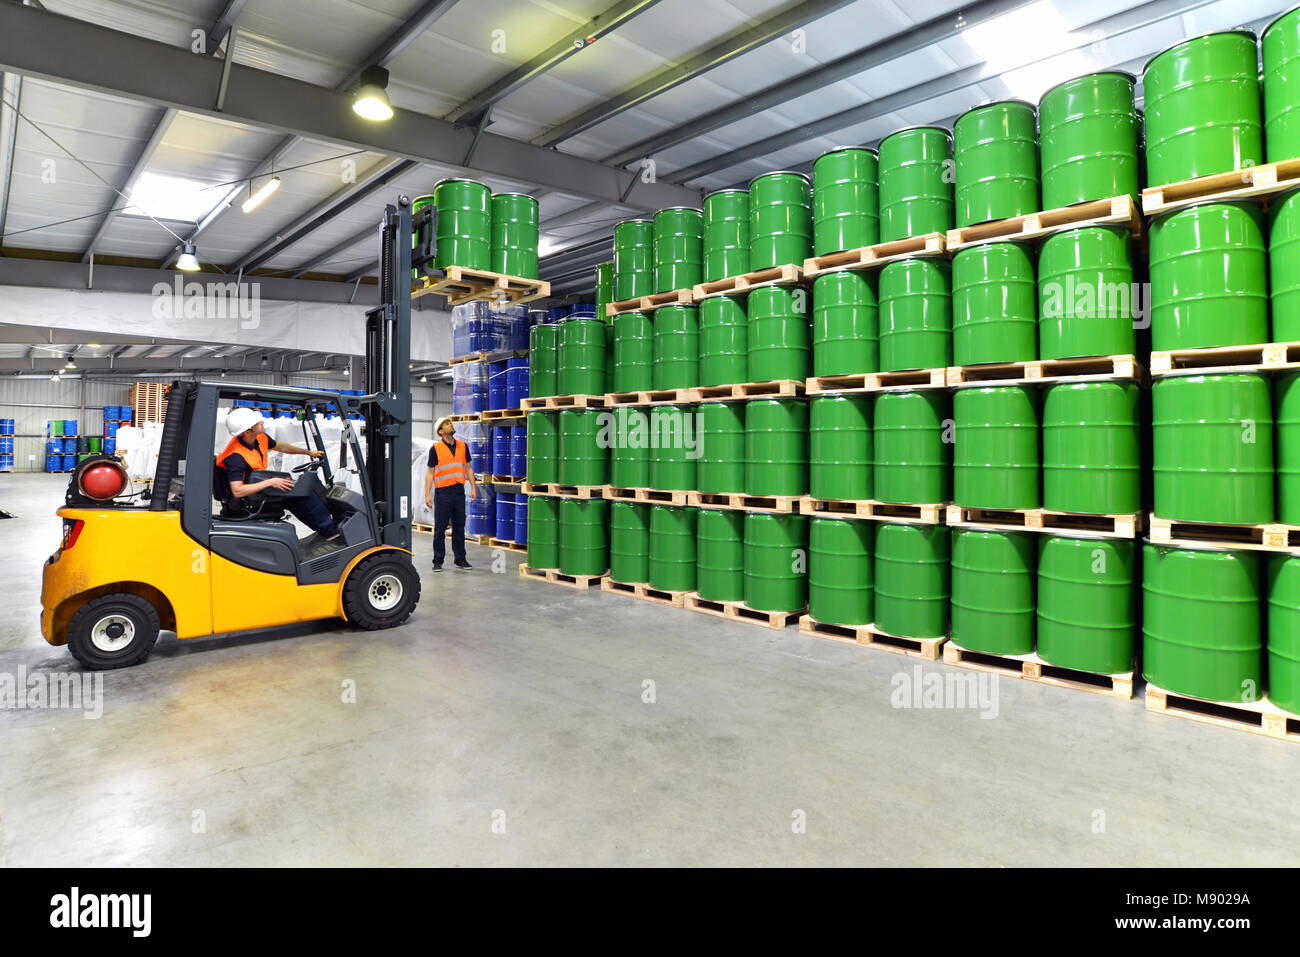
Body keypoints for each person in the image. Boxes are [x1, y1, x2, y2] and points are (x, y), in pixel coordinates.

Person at [217, 406, 341, 541]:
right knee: (300, 494)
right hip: (246, 502)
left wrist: (308, 453)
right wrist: (271, 482)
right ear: (247, 432)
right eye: (257, 422)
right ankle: (330, 531)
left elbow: (281, 446)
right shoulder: (236, 456)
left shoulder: (259, 438)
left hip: (256, 491)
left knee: (305, 486)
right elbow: (237, 491)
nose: (262, 421)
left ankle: (333, 521)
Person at [425, 416, 477, 571]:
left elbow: (468, 468)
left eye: (450, 422)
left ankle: (460, 559)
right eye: (446, 424)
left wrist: (474, 488)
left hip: (459, 492)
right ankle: (438, 560)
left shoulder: (463, 446)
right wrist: (427, 494)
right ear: (441, 432)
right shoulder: (435, 449)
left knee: (459, 527)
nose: (450, 425)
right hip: (443, 493)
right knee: (440, 528)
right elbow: (430, 473)